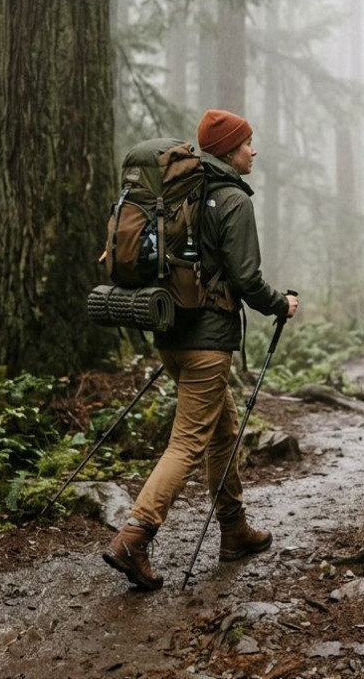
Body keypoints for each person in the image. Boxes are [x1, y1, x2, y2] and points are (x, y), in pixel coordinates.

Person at [102, 109, 299, 591]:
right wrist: (282, 304)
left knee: (222, 431)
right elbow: (247, 279)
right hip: (207, 343)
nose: (254, 150)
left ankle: (233, 529)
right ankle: (134, 536)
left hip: (171, 333)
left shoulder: (180, 195)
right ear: (230, 150)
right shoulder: (231, 198)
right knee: (188, 442)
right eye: (248, 143)